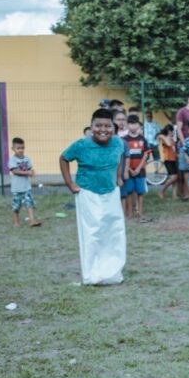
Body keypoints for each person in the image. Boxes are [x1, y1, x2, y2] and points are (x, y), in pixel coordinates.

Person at [59, 108, 127, 284]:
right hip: (88, 193)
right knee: (92, 233)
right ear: (91, 127)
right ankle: (92, 275)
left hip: (111, 192)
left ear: (113, 127)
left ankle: (112, 273)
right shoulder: (81, 145)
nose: (103, 129)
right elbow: (63, 158)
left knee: (114, 232)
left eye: (107, 126)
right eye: (98, 125)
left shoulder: (118, 143)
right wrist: (70, 184)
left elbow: (121, 158)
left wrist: (118, 176)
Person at [121, 114, 152, 219]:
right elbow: (123, 156)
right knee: (129, 191)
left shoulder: (143, 139)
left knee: (140, 192)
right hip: (128, 170)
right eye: (130, 123)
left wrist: (139, 168)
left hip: (140, 170)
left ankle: (140, 212)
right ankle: (130, 212)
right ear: (127, 125)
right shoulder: (124, 140)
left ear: (138, 125)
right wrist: (129, 169)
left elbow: (145, 154)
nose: (133, 126)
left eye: (135, 124)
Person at [8, 137, 41, 227]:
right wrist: (27, 173)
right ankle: (16, 222)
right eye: (18, 148)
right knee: (16, 206)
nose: (20, 150)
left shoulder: (27, 159)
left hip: (26, 187)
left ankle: (32, 221)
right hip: (17, 189)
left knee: (29, 204)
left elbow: (30, 169)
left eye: (22, 148)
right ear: (13, 149)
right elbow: (14, 171)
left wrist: (32, 172)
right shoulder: (13, 160)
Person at [156, 124, 180, 200]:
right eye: (172, 131)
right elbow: (168, 144)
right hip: (168, 160)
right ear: (169, 131)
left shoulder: (172, 139)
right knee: (173, 177)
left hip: (174, 159)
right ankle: (161, 191)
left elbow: (174, 149)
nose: (173, 133)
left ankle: (174, 195)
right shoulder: (164, 138)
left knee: (175, 179)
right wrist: (164, 136)